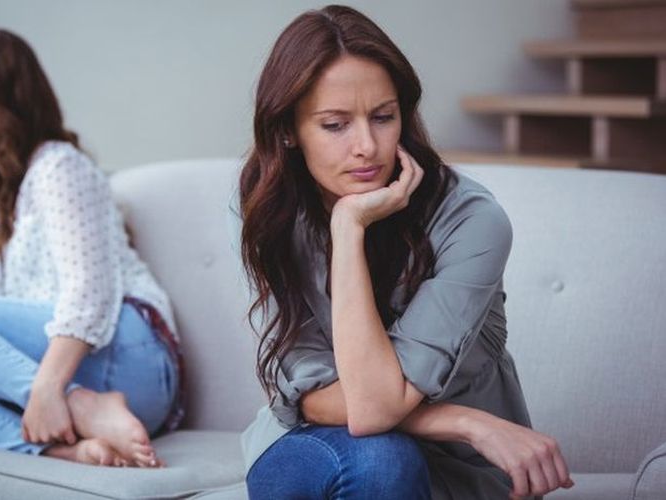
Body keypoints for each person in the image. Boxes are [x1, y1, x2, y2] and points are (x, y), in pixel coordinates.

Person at [239, 6, 574, 499]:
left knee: (385, 461)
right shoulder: (270, 210)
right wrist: (464, 421)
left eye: (383, 117)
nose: (366, 146)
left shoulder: (471, 221)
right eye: (335, 125)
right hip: (318, 448)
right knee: (381, 457)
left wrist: (347, 226)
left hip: (458, 472)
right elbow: (314, 399)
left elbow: (372, 406)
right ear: (288, 130)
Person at [0, 29, 182, 467]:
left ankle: (80, 405)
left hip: (129, 355)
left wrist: (48, 388)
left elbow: (89, 291)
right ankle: (63, 448)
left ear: (8, 102)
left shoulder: (58, 166)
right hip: (68, 377)